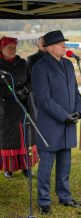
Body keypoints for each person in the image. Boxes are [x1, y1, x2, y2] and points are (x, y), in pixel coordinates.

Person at [31, 30, 81, 215]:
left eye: (64, 43)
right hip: (50, 125)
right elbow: (44, 99)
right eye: (61, 44)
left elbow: (75, 91)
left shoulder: (69, 64)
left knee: (65, 164)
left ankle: (65, 197)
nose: (64, 46)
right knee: (46, 166)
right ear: (50, 47)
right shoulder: (39, 67)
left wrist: (78, 110)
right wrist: (63, 116)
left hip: (68, 123)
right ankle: (44, 201)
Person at [0, 36, 38, 178]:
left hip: (24, 105)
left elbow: (31, 80)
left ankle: (26, 166)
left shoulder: (22, 63)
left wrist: (26, 90)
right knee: (9, 139)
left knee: (26, 137)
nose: (13, 50)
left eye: (14, 47)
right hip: (6, 109)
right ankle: (8, 168)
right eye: (9, 48)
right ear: (2, 49)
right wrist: (12, 94)